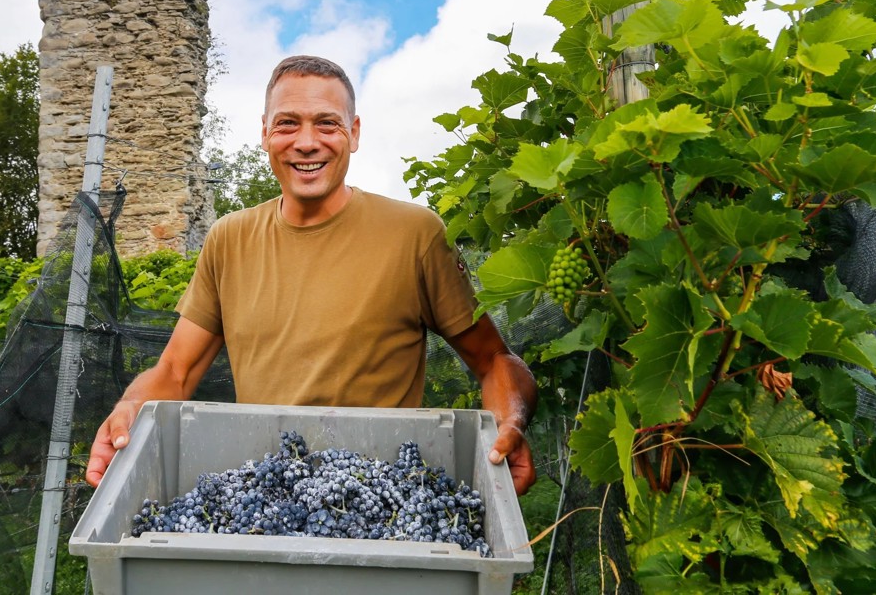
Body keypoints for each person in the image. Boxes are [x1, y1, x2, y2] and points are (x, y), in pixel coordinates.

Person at [85, 55, 537, 495]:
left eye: (326, 123)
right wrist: (129, 409)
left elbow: (494, 361)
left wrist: (509, 423)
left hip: (381, 501)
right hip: (264, 501)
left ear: (353, 133)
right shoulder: (229, 239)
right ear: (265, 132)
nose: (306, 142)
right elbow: (175, 371)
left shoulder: (416, 234)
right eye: (287, 123)